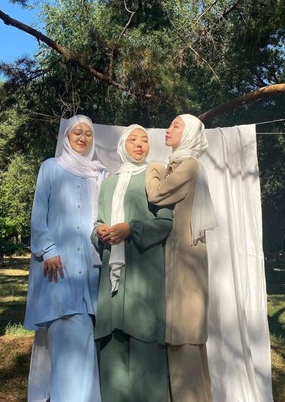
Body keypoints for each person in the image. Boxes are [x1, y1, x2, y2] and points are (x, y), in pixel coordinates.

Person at [23, 115, 108, 402]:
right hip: (58, 269)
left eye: (88, 133)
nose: (83, 138)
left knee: (84, 343)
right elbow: (39, 215)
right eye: (77, 133)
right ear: (67, 138)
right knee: (65, 338)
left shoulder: (99, 174)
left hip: (90, 271)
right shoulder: (51, 167)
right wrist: (48, 250)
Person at [91, 124, 173, 402]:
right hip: (112, 278)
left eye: (144, 140)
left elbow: (165, 222)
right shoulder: (109, 183)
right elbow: (99, 221)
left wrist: (132, 228)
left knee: (144, 339)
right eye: (133, 139)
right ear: (123, 145)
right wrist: (99, 232)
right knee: (113, 345)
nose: (140, 144)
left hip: (143, 273)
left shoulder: (154, 176)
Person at [145, 114, 217, 402]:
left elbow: (156, 194)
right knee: (181, 335)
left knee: (183, 335)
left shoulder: (188, 166)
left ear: (188, 134)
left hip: (185, 264)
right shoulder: (181, 164)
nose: (168, 128)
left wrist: (153, 168)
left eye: (176, 125)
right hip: (181, 260)